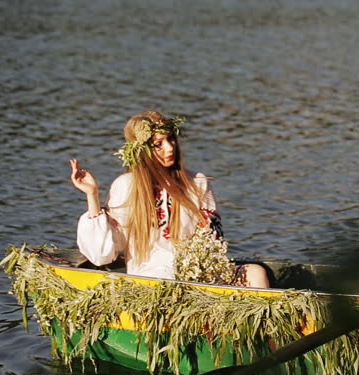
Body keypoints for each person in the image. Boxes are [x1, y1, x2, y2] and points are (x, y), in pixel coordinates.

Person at [69, 110, 269, 288]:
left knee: (255, 272)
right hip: (151, 278)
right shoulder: (126, 186)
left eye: (171, 139)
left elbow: (213, 241)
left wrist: (199, 270)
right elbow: (103, 254)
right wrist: (92, 196)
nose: (169, 148)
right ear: (142, 151)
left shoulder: (196, 182)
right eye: (158, 144)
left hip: (197, 276)